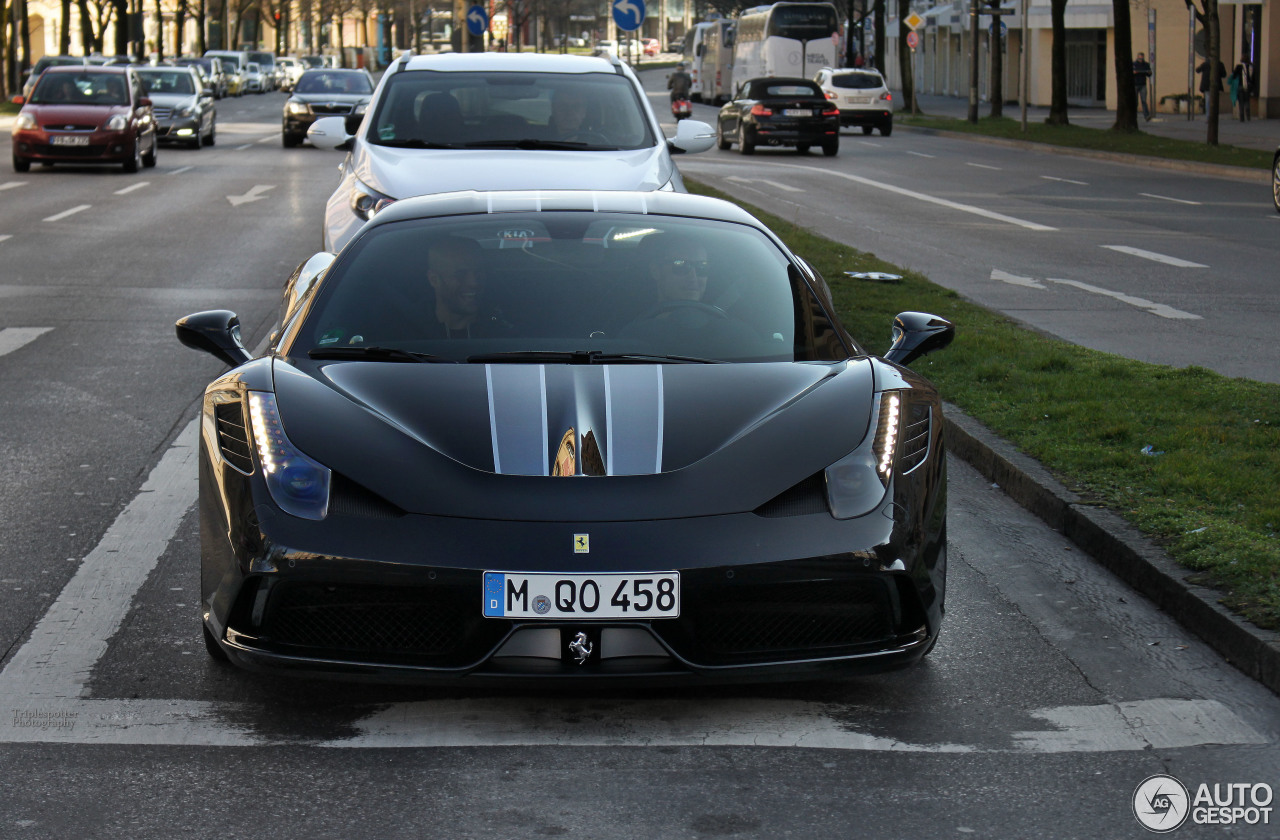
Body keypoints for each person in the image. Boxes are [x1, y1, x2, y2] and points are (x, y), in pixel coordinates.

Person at [424, 236, 508, 339]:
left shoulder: (503, 334)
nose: (474, 283)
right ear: (434, 279)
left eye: (479, 273)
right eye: (460, 274)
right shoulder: (406, 329)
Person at [1132, 52, 1152, 121]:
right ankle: (1133, 116)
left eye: (1142, 58)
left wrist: (1149, 72)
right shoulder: (1134, 64)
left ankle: (1146, 116)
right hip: (1135, 84)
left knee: (1144, 101)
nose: (1140, 59)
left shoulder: (1146, 64)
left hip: (1143, 84)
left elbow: (1149, 74)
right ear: (1137, 57)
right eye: (1139, 58)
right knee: (1135, 102)